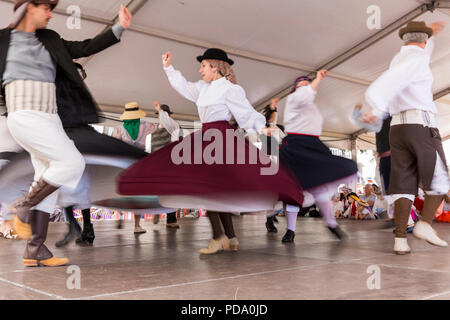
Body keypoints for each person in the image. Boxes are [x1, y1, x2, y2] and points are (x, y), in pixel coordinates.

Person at [118, 48, 303, 255]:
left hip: (220, 139)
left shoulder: (230, 89)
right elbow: (183, 86)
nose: (200, 70)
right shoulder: (202, 88)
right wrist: (168, 68)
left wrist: (262, 128)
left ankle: (218, 236)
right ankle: (230, 237)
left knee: (208, 188)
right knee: (215, 188)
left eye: (204, 65)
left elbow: (246, 113)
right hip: (205, 137)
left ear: (215, 66)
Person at [1, 0, 133, 266]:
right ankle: (25, 206)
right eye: (46, 8)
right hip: (24, 114)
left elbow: (85, 47)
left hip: (51, 117)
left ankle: (35, 249)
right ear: (30, 7)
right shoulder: (3, 40)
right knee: (72, 162)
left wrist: (119, 27)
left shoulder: (50, 39)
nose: (51, 14)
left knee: (46, 182)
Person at [359, 21, 450, 254]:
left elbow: (397, 80)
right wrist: (376, 102)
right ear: (424, 41)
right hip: (421, 125)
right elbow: (389, 83)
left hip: (397, 128)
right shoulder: (414, 61)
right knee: (440, 177)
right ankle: (425, 224)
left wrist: (378, 111)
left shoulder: (400, 58)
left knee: (403, 183)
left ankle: (400, 239)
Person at [278, 71, 358, 242]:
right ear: (295, 89)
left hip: (313, 146)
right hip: (295, 145)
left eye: (308, 84)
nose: (306, 87)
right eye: (302, 85)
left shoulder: (311, 107)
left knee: (321, 187)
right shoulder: (294, 99)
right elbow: (304, 95)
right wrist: (317, 80)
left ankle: (331, 224)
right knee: (293, 189)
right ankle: (290, 230)